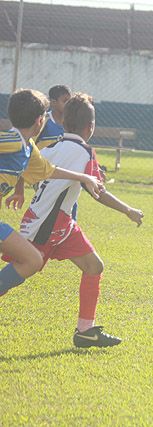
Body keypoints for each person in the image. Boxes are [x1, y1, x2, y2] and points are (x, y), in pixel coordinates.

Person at [6, 93, 144, 347]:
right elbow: (98, 193)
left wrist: (19, 189)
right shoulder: (84, 152)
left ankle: (85, 331)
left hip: (58, 222)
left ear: (63, 121)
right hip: (48, 225)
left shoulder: (51, 146)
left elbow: (26, 168)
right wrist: (128, 210)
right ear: (90, 127)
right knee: (22, 268)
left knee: (94, 266)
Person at [0, 89, 103, 298]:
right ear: (40, 120)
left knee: (33, 260)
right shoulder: (12, 140)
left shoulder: (27, 148)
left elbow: (49, 170)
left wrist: (84, 178)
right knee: (32, 260)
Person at [36, 84, 72, 149]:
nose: (68, 104)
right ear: (53, 102)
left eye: (70, 101)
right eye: (65, 101)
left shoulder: (72, 122)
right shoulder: (43, 121)